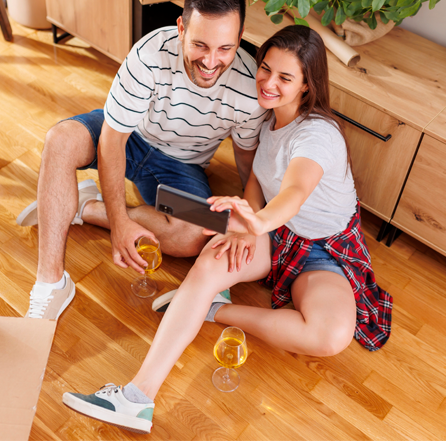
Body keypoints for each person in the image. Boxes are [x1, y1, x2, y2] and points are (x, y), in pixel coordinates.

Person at [60, 25, 393, 434]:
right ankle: (136, 397)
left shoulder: (318, 135)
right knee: (203, 238)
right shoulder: (268, 120)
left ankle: (214, 309)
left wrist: (256, 223)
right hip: (275, 233)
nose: (268, 82)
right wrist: (245, 226)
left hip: (323, 249)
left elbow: (294, 193)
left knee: (330, 337)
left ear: (307, 85)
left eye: (285, 77)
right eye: (265, 68)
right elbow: (257, 184)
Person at [17, 0, 268, 320]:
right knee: (60, 140)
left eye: (225, 48)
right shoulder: (149, 54)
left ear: (240, 38)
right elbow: (112, 140)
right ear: (181, 28)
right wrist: (120, 224)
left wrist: (250, 223)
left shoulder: (250, 89)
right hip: (131, 138)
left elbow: (246, 162)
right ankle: (51, 283)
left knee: (194, 234)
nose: (211, 61)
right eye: (199, 45)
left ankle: (84, 206)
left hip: (181, 166)